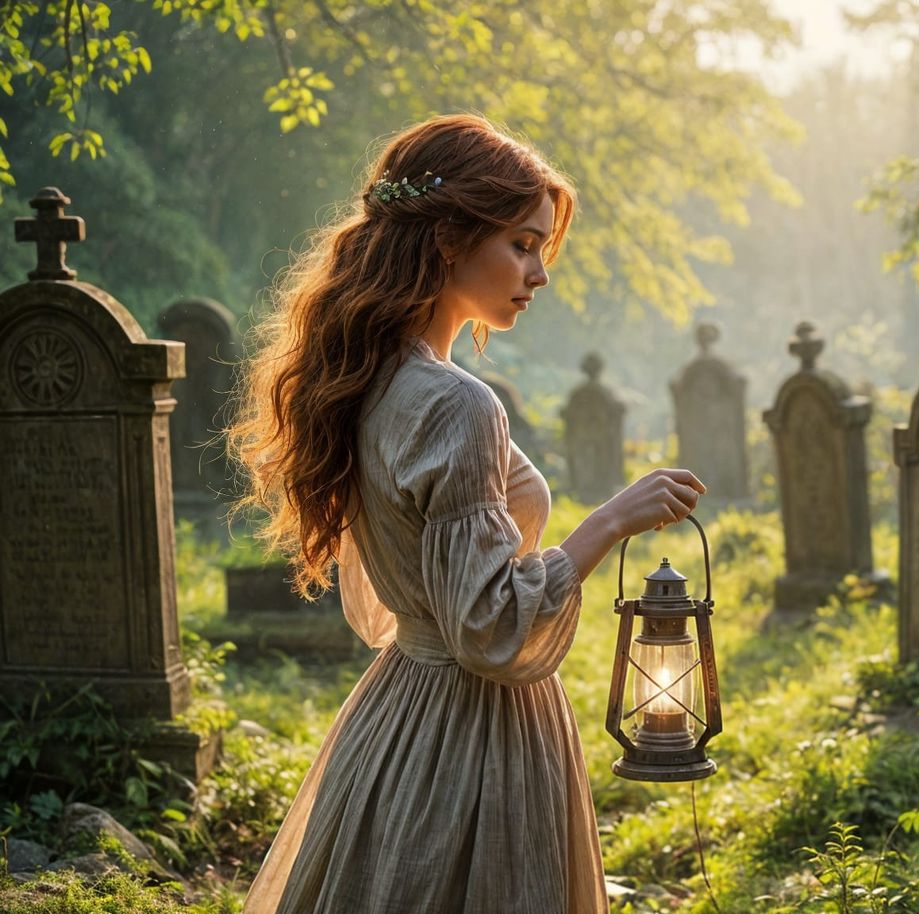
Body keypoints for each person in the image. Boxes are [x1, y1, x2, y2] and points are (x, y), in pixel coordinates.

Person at [228, 114, 705, 913]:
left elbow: (406, 601)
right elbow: (485, 628)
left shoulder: (367, 375)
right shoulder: (457, 404)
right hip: (473, 734)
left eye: (541, 249)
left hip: (396, 716)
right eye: (521, 244)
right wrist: (608, 522)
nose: (538, 273)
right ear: (448, 237)